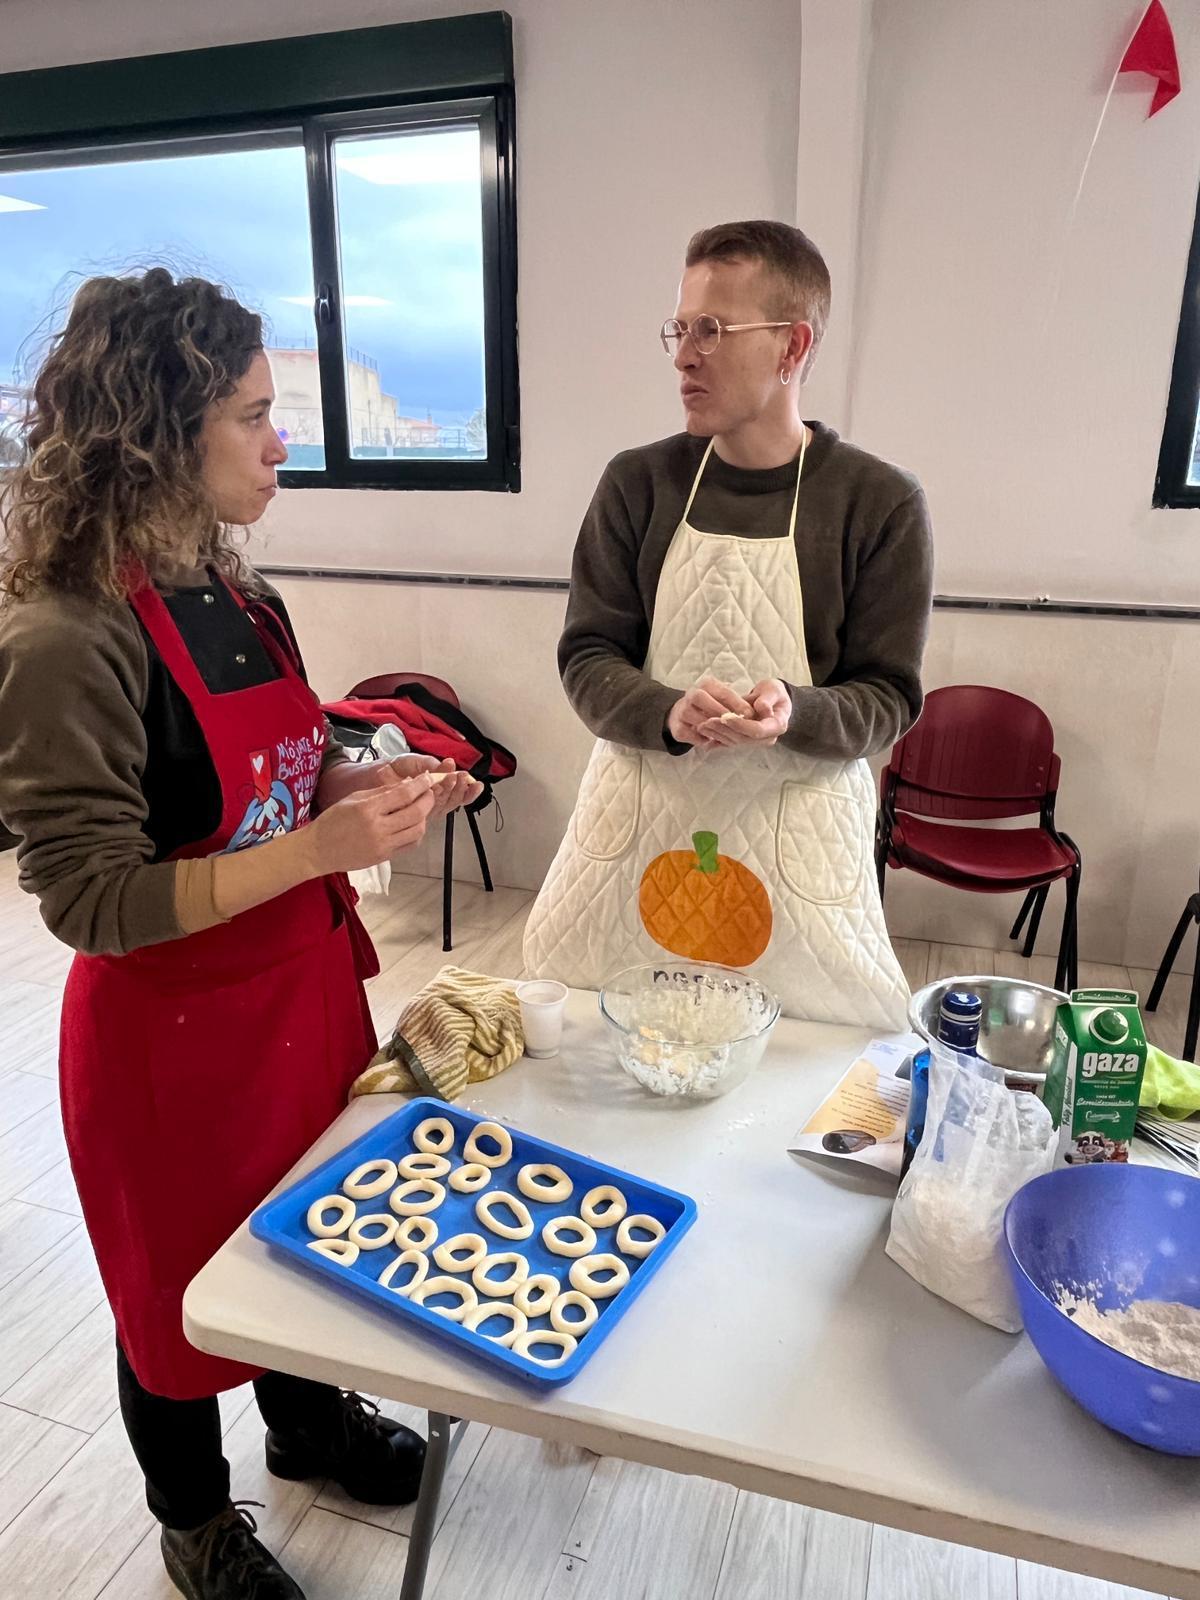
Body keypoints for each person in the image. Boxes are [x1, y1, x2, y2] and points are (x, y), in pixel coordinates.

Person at [0, 269, 482, 1600]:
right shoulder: (63, 634)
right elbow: (89, 899)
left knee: (308, 1237)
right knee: (174, 1299)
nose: (285, 442)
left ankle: (312, 1426)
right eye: (257, 415)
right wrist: (317, 850)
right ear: (158, 430)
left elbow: (276, 757)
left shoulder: (225, 581)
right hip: (169, 1034)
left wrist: (356, 783)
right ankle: (194, 1517)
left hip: (300, 991)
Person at [524, 221, 932, 1028]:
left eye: (713, 330)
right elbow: (588, 655)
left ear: (791, 347)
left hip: (797, 844)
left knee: (807, 1065)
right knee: (600, 1054)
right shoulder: (637, 483)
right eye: (681, 329)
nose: (684, 355)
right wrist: (664, 710)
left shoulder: (877, 502)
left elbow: (889, 695)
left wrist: (798, 709)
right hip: (641, 822)